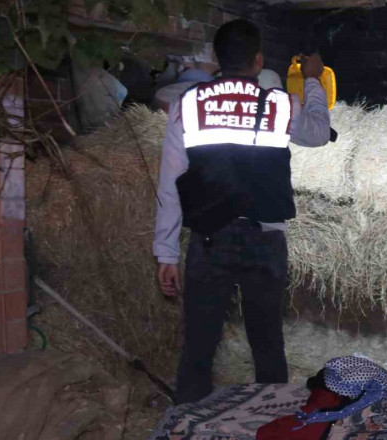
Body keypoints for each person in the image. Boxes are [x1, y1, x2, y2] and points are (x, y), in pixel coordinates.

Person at [153, 19, 332, 404]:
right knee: (268, 345)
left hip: (209, 239)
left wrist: (165, 251)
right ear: (258, 60)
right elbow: (319, 133)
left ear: (217, 58)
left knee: (199, 347)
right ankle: (274, 422)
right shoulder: (280, 103)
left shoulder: (190, 103)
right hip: (265, 240)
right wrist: (313, 79)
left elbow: (171, 181)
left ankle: (186, 423)